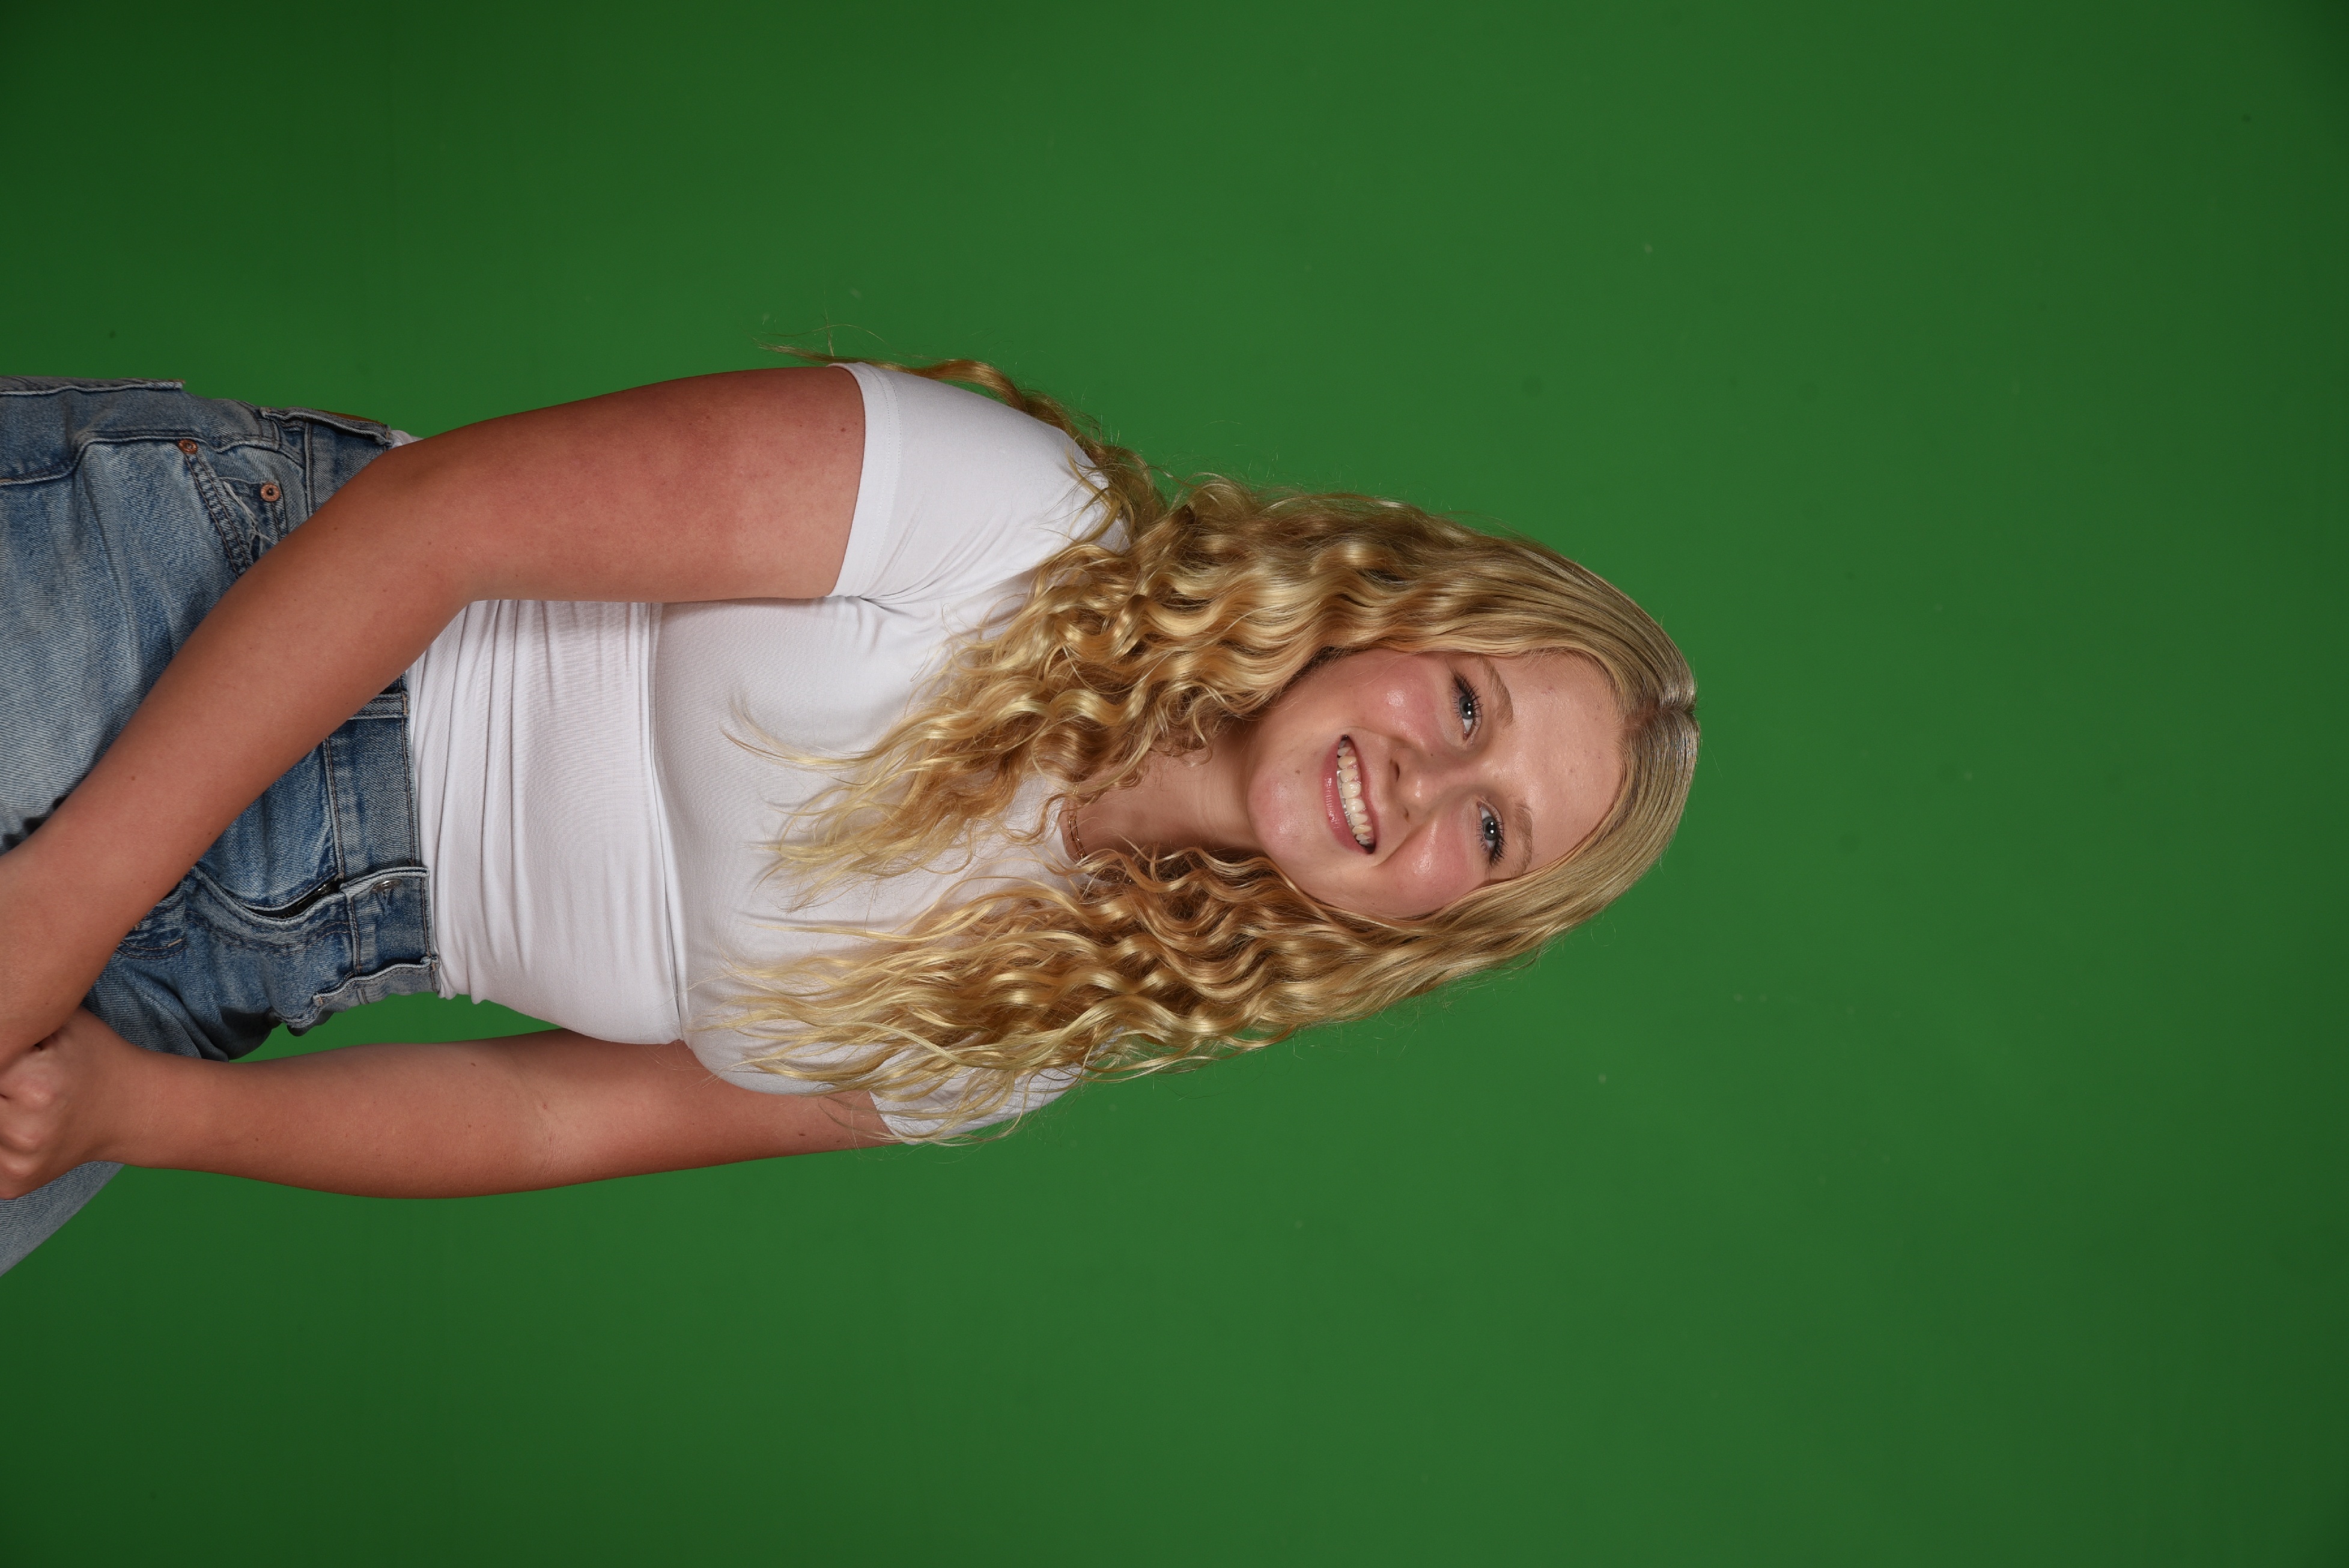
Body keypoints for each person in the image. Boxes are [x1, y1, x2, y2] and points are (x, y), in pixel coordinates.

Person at [0, 358, 1698, 1274]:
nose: (1425, 784)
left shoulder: (1019, 1033)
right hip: (184, 610)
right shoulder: (1022, 521)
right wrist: (59, 906)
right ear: (1393, 610)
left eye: (1492, 834)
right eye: (1466, 705)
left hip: (231, 978)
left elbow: (549, 1118)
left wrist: (145, 1111)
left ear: (1434, 926)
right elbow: (433, 523)